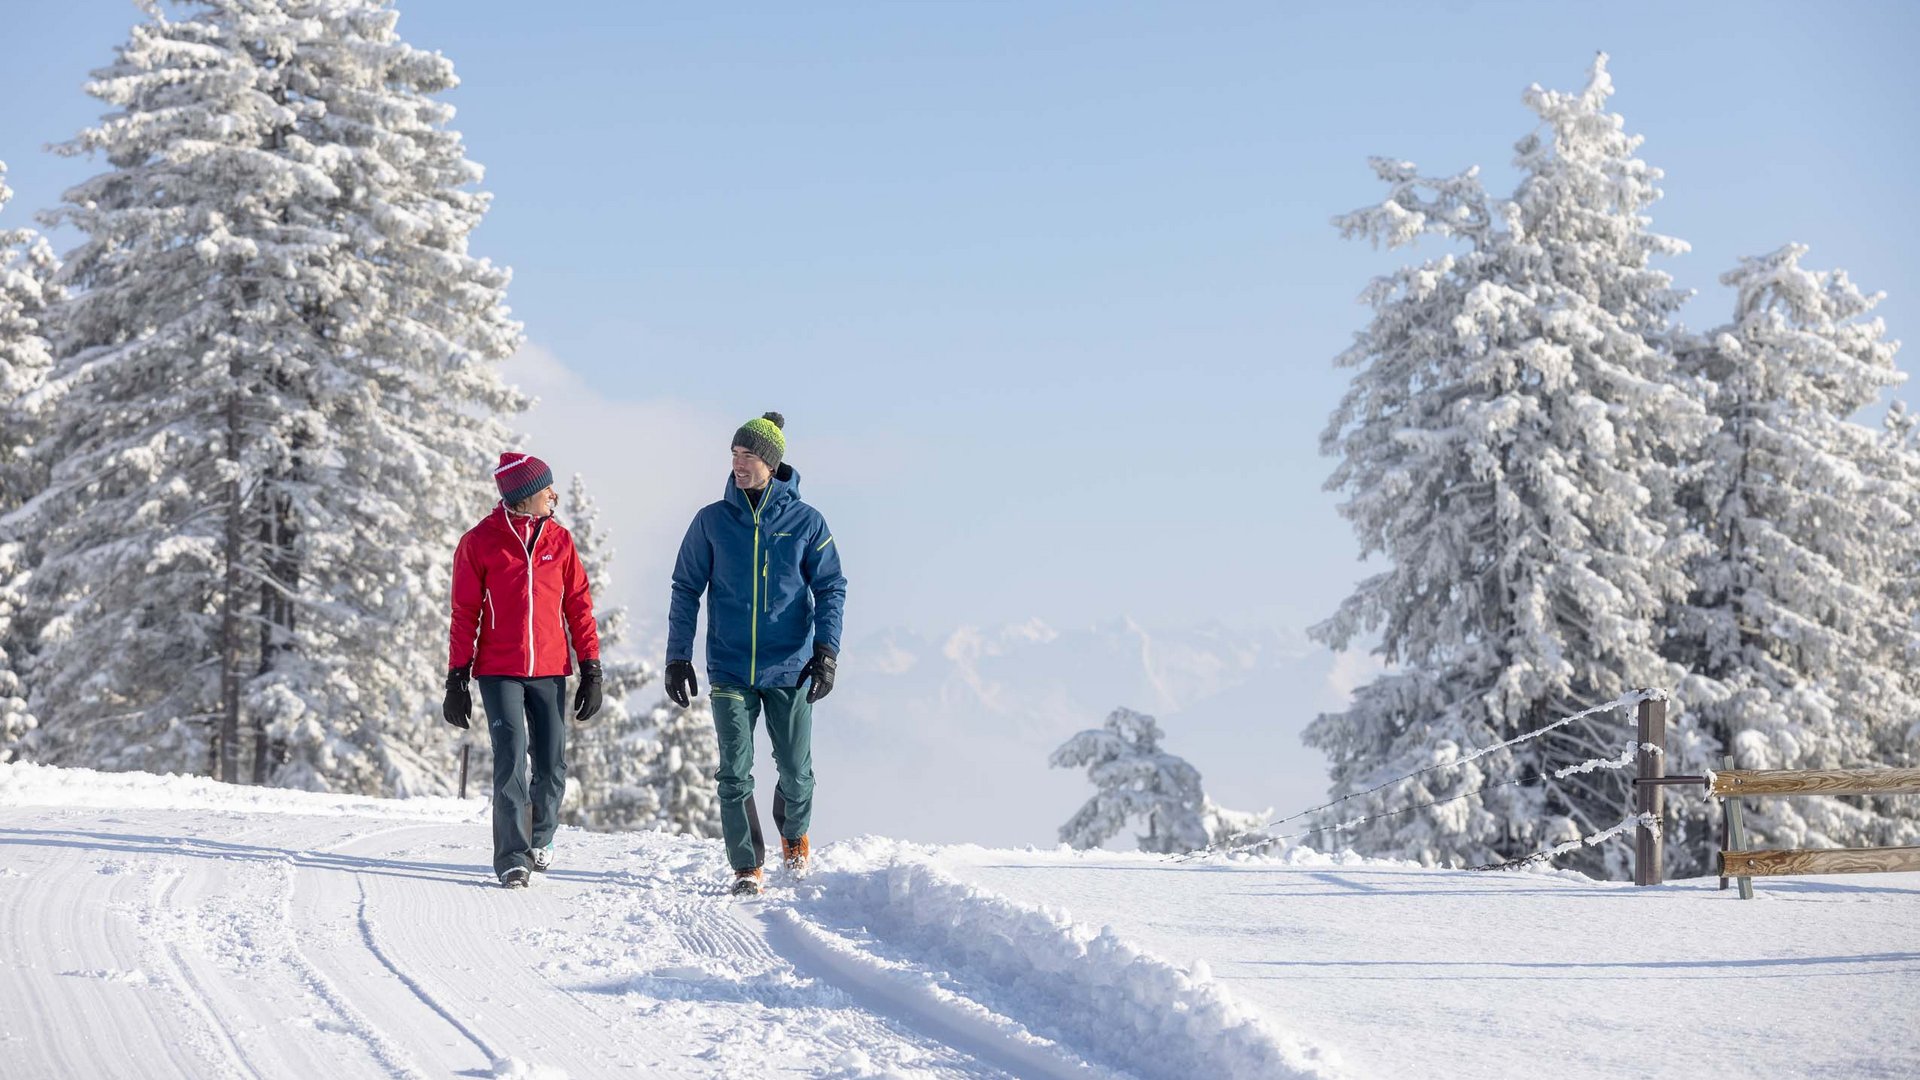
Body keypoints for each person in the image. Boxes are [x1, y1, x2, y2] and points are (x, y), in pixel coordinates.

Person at [666, 412, 846, 897]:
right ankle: (747, 865)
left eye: (748, 455)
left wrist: (826, 651)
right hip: (729, 666)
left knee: (796, 771)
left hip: (791, 665)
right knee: (733, 772)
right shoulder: (711, 521)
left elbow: (831, 587)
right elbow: (685, 588)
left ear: (771, 463)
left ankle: (794, 836)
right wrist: (677, 656)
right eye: (734, 454)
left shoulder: (807, 522)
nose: (738, 464)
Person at [443, 452, 604, 888]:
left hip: (550, 670)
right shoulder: (480, 542)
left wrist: (591, 668)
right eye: (546, 488)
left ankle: (540, 836)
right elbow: (465, 613)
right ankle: (513, 858)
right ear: (524, 495)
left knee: (551, 763)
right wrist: (457, 678)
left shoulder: (560, 541)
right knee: (511, 759)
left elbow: (579, 607)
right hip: (499, 670)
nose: (554, 494)